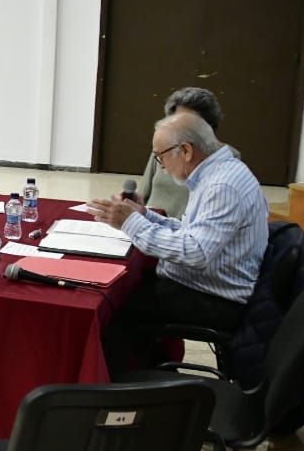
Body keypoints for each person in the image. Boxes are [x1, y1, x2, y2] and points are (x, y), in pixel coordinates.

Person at [90, 111, 269, 375]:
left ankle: (127, 394)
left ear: (185, 150)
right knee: (132, 288)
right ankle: (155, 374)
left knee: (117, 310)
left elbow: (195, 252)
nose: (161, 166)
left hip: (217, 297)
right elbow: (191, 232)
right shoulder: (219, 172)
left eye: (160, 157)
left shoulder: (222, 186)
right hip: (211, 281)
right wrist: (144, 215)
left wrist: (130, 223)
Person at [139, 86, 231, 218]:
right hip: (149, 225)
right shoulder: (165, 151)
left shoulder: (226, 160)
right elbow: (143, 194)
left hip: (179, 233)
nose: (177, 129)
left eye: (186, 123)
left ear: (207, 126)